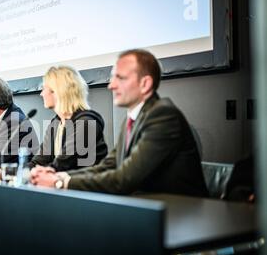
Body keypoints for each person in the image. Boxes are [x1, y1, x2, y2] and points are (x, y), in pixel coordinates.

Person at [32, 49, 208, 197]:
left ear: (145, 84)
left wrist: (60, 182)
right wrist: (60, 176)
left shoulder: (163, 116)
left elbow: (124, 178)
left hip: (182, 214)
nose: (111, 85)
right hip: (150, 209)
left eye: (120, 78)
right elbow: (108, 165)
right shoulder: (132, 118)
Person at [0, 66, 108, 181]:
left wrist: (6, 174)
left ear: (58, 91)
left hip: (85, 196)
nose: (41, 93)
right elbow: (39, 162)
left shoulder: (86, 123)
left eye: (45, 88)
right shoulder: (56, 123)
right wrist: (5, 173)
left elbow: (60, 165)